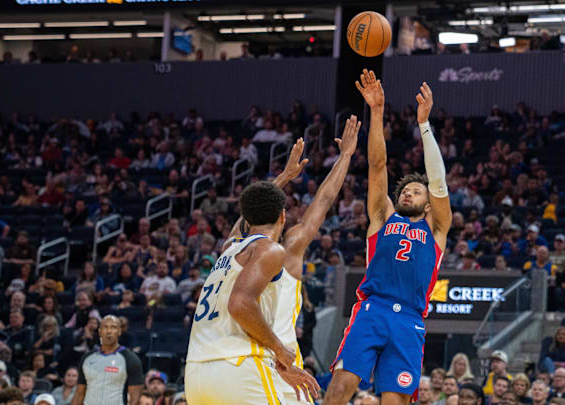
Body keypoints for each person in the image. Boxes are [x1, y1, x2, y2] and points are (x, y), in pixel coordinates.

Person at [324, 71, 451, 405]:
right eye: (406, 190)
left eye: (415, 191)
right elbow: (377, 166)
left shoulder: (437, 229)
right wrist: (376, 111)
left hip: (410, 319)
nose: (408, 194)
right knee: (340, 387)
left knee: (394, 401)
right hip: (373, 308)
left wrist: (424, 126)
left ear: (428, 205)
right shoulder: (383, 217)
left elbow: (438, 181)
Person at [227, 119, 360, 404]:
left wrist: (284, 178)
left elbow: (250, 213)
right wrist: (346, 156)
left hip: (233, 362)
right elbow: (323, 201)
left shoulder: (233, 249)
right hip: (278, 363)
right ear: (284, 217)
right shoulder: (288, 252)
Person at [185, 181, 318, 405]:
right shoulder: (269, 249)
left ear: (246, 219)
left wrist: (283, 176)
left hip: (197, 374)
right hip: (239, 367)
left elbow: (244, 219)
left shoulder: (228, 251)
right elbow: (239, 304)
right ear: (283, 216)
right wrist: (279, 350)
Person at [71, 315, 143, 405]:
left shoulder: (130, 359)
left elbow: (135, 398)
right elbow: (79, 394)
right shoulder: (87, 358)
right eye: (105, 327)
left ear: (119, 331)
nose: (109, 331)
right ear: (100, 331)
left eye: (113, 327)